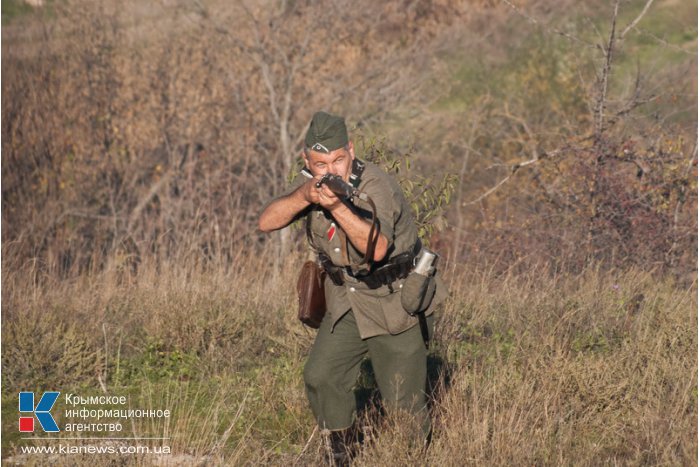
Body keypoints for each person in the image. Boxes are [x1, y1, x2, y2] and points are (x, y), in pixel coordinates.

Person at [258, 111, 446, 465]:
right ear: (307, 161)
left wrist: (337, 206)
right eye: (320, 163)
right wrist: (305, 196)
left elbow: (375, 248)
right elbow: (266, 222)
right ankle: (340, 455)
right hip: (348, 299)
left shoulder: (376, 185)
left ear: (351, 150)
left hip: (395, 300)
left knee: (402, 402)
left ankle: (413, 458)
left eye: (338, 160)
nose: (331, 170)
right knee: (320, 376)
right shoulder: (312, 184)